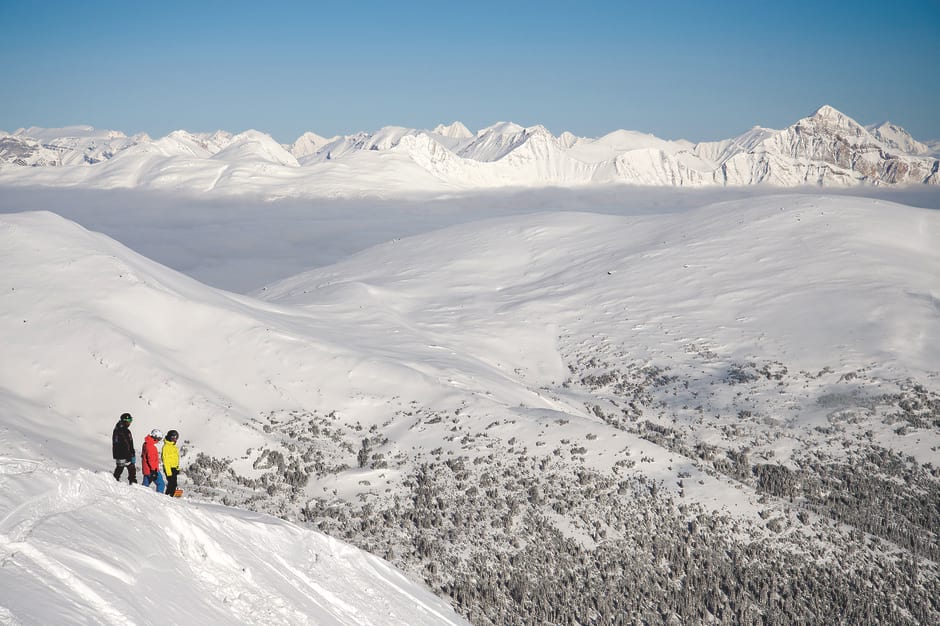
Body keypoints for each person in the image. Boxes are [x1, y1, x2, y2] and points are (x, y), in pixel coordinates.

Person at [112, 412, 137, 484]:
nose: (130, 423)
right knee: (120, 468)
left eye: (131, 421)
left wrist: (132, 453)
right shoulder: (119, 430)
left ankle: (133, 482)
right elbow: (119, 445)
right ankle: (114, 481)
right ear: (124, 421)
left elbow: (130, 443)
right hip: (121, 454)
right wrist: (127, 455)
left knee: (131, 468)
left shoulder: (126, 430)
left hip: (128, 454)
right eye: (129, 421)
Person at [141, 429, 166, 493]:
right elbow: (151, 460)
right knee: (161, 484)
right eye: (159, 438)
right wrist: (154, 471)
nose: (159, 441)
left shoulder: (146, 443)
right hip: (152, 470)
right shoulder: (151, 447)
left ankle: (141, 495)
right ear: (155, 437)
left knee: (144, 486)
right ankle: (159, 497)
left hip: (146, 469)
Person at [162, 429, 181, 496]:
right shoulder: (166, 447)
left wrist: (177, 468)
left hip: (174, 468)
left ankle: (169, 497)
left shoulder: (173, 446)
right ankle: (168, 496)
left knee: (173, 484)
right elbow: (165, 461)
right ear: (170, 437)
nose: (175, 439)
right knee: (172, 484)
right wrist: (169, 472)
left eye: (176, 438)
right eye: (174, 438)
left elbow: (175, 459)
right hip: (169, 469)